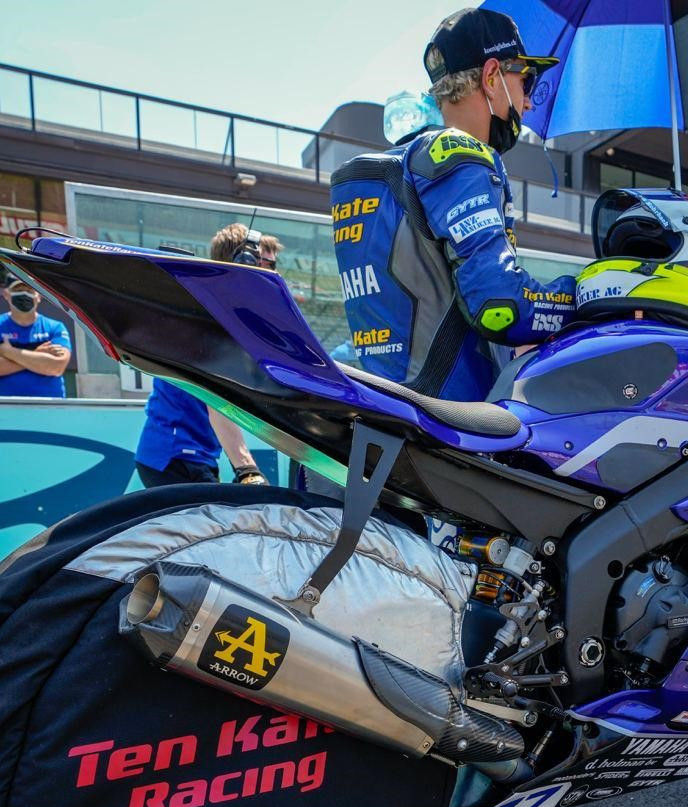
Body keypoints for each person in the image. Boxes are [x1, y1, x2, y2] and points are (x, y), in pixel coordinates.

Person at [329, 7, 577, 402]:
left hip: (387, 418)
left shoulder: (401, 167)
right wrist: (587, 295)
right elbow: (501, 304)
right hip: (447, 429)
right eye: (526, 81)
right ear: (492, 77)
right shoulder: (460, 155)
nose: (528, 102)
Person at [133, 223, 280, 487]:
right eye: (268, 263)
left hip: (182, 456)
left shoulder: (218, 312)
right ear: (244, 262)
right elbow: (218, 403)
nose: (274, 272)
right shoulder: (214, 322)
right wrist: (247, 469)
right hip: (177, 458)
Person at [0, 279, 72, 397]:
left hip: (51, 407)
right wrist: (37, 354)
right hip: (4, 407)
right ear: (6, 294)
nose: (24, 295)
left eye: (29, 290)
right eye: (18, 290)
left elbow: (57, 367)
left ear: (39, 296)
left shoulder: (55, 328)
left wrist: (9, 352)